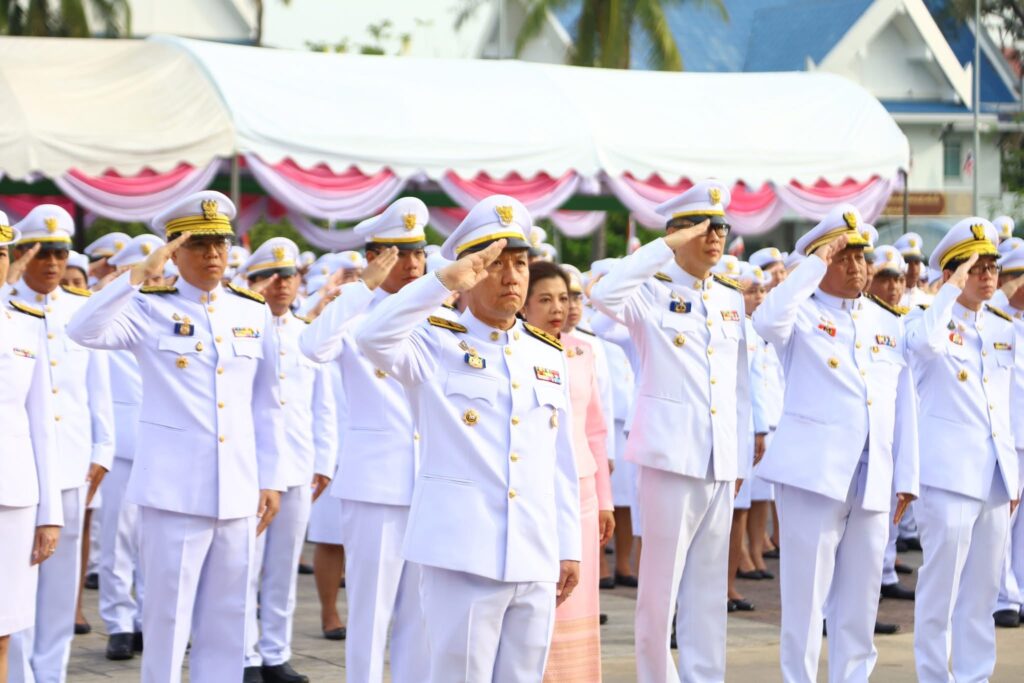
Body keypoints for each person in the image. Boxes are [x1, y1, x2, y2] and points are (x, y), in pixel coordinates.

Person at [355, 195, 581, 681]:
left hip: (534, 551)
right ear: (469, 272)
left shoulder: (545, 352)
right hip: (462, 552)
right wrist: (440, 283)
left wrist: (569, 545)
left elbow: (559, 459)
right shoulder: (434, 340)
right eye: (495, 264)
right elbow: (370, 337)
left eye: (520, 263)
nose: (511, 276)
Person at [66, 190, 287, 683]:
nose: (213, 255)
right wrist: (137, 275)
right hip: (174, 492)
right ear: (174, 251)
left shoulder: (251, 311)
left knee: (228, 621)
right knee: (167, 621)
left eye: (220, 244)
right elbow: (82, 330)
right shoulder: (147, 308)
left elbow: (266, 403)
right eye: (198, 245)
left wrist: (271, 477)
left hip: (237, 490)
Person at [591, 180, 750, 683]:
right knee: (659, 594)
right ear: (677, 234)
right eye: (703, 227)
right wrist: (663, 248)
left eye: (721, 227)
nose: (715, 236)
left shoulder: (728, 298)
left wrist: (739, 457)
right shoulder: (647, 292)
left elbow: (738, 388)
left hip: (718, 459)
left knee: (707, 592)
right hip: (669, 457)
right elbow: (604, 294)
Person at [752, 204, 919, 683]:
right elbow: (765, 321)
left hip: (873, 476)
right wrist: (813, 264)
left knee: (861, 600)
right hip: (814, 476)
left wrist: (907, 475)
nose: (855, 267)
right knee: (805, 600)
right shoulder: (799, 313)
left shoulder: (886, 321)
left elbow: (902, 402)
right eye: (842, 258)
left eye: (859, 257)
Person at [299, 198, 431, 683]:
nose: (413, 264)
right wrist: (362, 287)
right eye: (400, 254)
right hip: (376, 485)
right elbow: (313, 346)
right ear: (375, 258)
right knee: (371, 614)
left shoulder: (437, 317)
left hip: (431, 481)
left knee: (421, 617)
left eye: (419, 252)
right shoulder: (354, 316)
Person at [5, 205, 115, 683]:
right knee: (18, 580)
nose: (52, 263)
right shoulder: (9, 307)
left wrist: (103, 450)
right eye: (43, 253)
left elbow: (98, 390)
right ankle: (20, 672)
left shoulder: (80, 308)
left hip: (71, 461)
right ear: (23, 254)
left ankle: (52, 672)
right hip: (19, 467)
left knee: (62, 579)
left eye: (61, 253)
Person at [906, 217, 1019, 683]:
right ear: (953, 273)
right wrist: (948, 291)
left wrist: (1013, 476)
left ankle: (975, 675)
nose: (988, 275)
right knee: (941, 590)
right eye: (976, 267)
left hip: (994, 478)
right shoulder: (927, 320)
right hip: (947, 476)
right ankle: (935, 676)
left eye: (992, 266)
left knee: (982, 592)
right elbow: (921, 347)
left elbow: (1004, 405)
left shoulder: (1003, 327)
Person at [242, 238, 338, 683]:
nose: (281, 284)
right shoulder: (241, 330)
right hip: (251, 467)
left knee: (283, 568)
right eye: (270, 276)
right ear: (253, 281)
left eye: (289, 276)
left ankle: (275, 653)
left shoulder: (306, 334)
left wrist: (324, 460)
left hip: (298, 464)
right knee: (245, 567)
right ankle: (244, 654)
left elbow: (323, 404)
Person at [518, 261, 612, 681]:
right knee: (538, 597)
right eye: (545, 299)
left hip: (583, 492)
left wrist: (605, 500)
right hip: (534, 491)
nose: (558, 308)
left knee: (578, 597)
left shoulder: (581, 350)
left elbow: (595, 429)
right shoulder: (514, 351)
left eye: (565, 298)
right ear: (523, 304)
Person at [96, 234, 166, 661]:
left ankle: (149, 617)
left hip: (164, 447)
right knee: (117, 540)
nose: (152, 282)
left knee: (156, 542)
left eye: (158, 275)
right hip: (122, 444)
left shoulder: (176, 314)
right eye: (145, 274)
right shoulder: (112, 317)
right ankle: (119, 621)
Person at [0, 216, 63, 683]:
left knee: (2, 632)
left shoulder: (26, 324)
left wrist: (50, 513)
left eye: (0, 254)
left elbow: (42, 423)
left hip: (13, 499)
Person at [991, 246, 1024, 628]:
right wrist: (1007, 290)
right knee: (1003, 520)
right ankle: (1004, 597)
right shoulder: (995, 318)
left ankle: (1020, 591)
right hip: (1008, 437)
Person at [894, 232, 931, 308]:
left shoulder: (927, 300)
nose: (914, 269)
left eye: (917, 263)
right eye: (907, 262)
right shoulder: (890, 299)